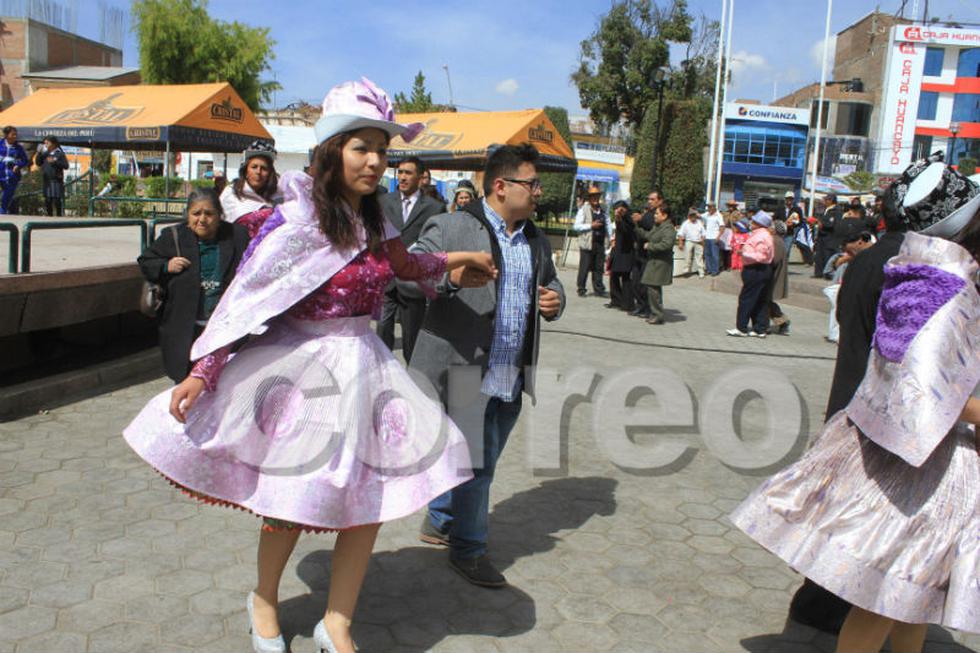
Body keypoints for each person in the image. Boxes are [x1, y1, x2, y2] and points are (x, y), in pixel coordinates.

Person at [123, 78, 497, 653]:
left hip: (367, 369)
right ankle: (265, 600)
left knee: (368, 502)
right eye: (361, 148)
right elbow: (247, 300)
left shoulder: (379, 220)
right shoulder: (293, 221)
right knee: (288, 504)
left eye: (383, 149)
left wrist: (454, 262)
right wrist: (207, 370)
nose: (375, 161)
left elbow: (405, 265)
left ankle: (337, 622)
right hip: (301, 374)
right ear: (332, 152)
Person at [732, 160, 980, 653]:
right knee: (889, 594)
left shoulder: (914, 274)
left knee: (912, 594)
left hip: (899, 445)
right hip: (922, 466)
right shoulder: (942, 287)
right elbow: (924, 386)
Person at [412, 143, 566, 587]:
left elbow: (550, 282)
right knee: (480, 467)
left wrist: (556, 301)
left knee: (481, 457)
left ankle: (440, 520)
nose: (538, 191)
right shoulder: (452, 226)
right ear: (501, 186)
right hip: (466, 370)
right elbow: (408, 273)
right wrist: (450, 277)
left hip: (511, 374)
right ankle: (469, 549)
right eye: (531, 183)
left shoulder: (534, 237)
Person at [137, 189, 249, 383]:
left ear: (219, 215)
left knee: (224, 382)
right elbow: (146, 261)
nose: (202, 219)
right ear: (187, 215)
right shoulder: (173, 236)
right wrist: (166, 265)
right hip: (185, 328)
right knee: (186, 382)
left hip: (224, 328)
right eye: (196, 214)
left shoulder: (237, 235)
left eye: (209, 213)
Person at [376, 156, 445, 363]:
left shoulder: (433, 207)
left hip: (414, 281)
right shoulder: (384, 202)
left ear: (421, 177)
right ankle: (382, 369)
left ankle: (412, 378)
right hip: (386, 277)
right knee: (382, 329)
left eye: (408, 173)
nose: (403, 177)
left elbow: (435, 242)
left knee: (410, 337)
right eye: (401, 172)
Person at [727, 212, 774, 337]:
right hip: (760, 269)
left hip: (756, 269)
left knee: (747, 298)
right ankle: (760, 328)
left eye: (753, 221)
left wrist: (743, 253)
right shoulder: (761, 235)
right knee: (759, 299)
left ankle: (741, 327)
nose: (751, 223)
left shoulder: (761, 236)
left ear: (759, 224)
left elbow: (761, 256)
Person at [220, 141, 282, 236]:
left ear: (270, 173)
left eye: (264, 168)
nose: (258, 171)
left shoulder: (279, 195)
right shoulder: (231, 193)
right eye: (254, 167)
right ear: (246, 171)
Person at [631, 202, 675, 325]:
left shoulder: (668, 228)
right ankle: (655, 312)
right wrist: (636, 226)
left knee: (653, 288)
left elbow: (667, 244)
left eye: (657, 213)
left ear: (664, 215)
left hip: (660, 263)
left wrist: (651, 246)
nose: (654, 216)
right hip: (654, 262)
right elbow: (648, 235)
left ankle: (657, 314)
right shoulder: (658, 226)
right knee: (652, 288)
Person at [573, 186, 613, 297]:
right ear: (589, 198)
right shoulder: (584, 209)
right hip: (587, 242)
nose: (595, 199)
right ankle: (581, 288)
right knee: (584, 267)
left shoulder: (604, 209)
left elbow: (608, 224)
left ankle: (599, 288)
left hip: (600, 242)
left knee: (598, 267)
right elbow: (576, 226)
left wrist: (610, 238)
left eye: (597, 196)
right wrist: (591, 225)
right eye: (593, 197)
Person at [629, 191, 662, 317]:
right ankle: (641, 305)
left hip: (649, 254)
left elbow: (652, 226)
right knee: (636, 281)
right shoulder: (647, 212)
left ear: (659, 201)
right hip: (639, 252)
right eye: (649, 199)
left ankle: (649, 308)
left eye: (652, 199)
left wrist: (641, 219)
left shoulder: (659, 214)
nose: (650, 201)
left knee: (646, 284)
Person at [607, 199, 636, 311]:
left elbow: (626, 231)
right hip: (617, 250)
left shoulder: (629, 219)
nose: (617, 212)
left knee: (625, 278)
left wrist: (619, 219)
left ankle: (627, 303)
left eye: (620, 209)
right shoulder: (621, 218)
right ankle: (616, 300)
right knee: (613, 276)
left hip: (626, 253)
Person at [34, 135, 69, 216]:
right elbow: (38, 163)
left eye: (47, 143)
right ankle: (49, 216)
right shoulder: (46, 154)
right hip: (47, 180)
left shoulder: (59, 154)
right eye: (44, 143)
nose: (45, 145)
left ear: (53, 144)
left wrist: (55, 162)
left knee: (56, 199)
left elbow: (66, 166)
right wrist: (38, 153)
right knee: (48, 199)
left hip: (56, 179)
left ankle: (59, 215)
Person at [767, 221, 790, 335]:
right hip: (772, 275)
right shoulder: (777, 240)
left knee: (766, 301)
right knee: (766, 301)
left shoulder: (776, 241)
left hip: (772, 276)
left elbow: (774, 260)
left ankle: (782, 321)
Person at [0, 126, 29, 214]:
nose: (15, 136)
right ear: (6, 135)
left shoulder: (18, 147)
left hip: (12, 176)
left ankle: (3, 212)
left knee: (8, 194)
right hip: (1, 173)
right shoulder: (0, 144)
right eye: (13, 134)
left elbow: (25, 160)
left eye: (16, 135)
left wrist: (18, 165)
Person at [813, 193, 843, 278]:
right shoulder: (825, 209)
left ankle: (828, 273)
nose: (825, 201)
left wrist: (823, 224)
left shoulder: (837, 210)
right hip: (821, 235)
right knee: (819, 254)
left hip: (829, 236)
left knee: (827, 254)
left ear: (831, 200)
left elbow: (834, 223)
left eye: (827, 200)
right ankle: (818, 273)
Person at [677, 208, 707, 278]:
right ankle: (686, 271)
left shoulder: (699, 222)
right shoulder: (685, 223)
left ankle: (701, 272)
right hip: (689, 241)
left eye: (694, 215)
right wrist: (680, 243)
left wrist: (702, 241)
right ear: (689, 216)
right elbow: (681, 234)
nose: (693, 217)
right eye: (692, 215)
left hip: (698, 241)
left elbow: (703, 233)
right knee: (687, 256)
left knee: (699, 257)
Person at [702, 200, 726, 276]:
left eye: (709, 207)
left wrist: (718, 237)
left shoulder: (719, 215)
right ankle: (709, 269)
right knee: (707, 254)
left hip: (714, 238)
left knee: (715, 255)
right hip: (707, 237)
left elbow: (722, 227)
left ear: (713, 207)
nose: (708, 208)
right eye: (708, 207)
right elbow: (699, 215)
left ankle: (715, 271)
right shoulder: (707, 214)